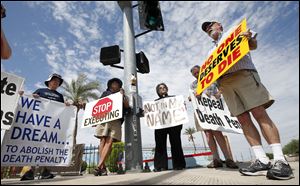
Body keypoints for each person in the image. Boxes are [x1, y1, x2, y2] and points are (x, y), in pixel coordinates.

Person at [201, 20, 294, 180]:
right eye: (206, 29)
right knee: (243, 119)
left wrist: (249, 38)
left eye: (211, 25)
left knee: (259, 112)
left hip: (243, 74)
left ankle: (280, 159)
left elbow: (252, 44)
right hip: (225, 84)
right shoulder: (210, 52)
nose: (208, 28)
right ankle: (261, 159)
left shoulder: (233, 32)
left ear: (220, 26)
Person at [19, 73, 68, 181]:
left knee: (47, 146)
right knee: (35, 144)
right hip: (38, 123)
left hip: (51, 125)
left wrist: (67, 105)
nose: (56, 82)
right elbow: (29, 102)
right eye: (54, 80)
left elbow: (61, 109)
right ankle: (29, 171)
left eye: (58, 82)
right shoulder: (40, 91)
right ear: (49, 81)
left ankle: (45, 171)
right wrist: (31, 96)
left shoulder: (59, 96)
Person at [189, 65, 238, 169]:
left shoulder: (212, 78)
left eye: (198, 72)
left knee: (217, 132)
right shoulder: (193, 85)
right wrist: (193, 96)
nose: (197, 75)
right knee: (208, 134)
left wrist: (219, 93)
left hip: (214, 111)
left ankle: (228, 158)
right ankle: (216, 159)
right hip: (203, 112)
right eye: (194, 74)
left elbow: (221, 88)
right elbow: (191, 96)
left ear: (202, 70)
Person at [93, 78, 130, 176]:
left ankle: (99, 165)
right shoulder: (105, 93)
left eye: (117, 83)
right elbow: (98, 106)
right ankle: (103, 168)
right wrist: (94, 119)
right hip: (104, 119)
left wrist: (122, 96)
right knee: (102, 141)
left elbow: (127, 106)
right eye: (113, 83)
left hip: (116, 120)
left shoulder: (122, 95)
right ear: (110, 85)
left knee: (109, 142)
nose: (115, 84)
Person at [153, 83, 186, 172]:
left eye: (164, 87)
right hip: (160, 126)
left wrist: (183, 105)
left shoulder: (174, 99)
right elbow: (152, 114)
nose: (162, 89)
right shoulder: (155, 102)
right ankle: (161, 166)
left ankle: (179, 165)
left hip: (174, 125)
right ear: (158, 91)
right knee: (160, 145)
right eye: (160, 88)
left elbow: (181, 109)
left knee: (176, 144)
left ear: (167, 89)